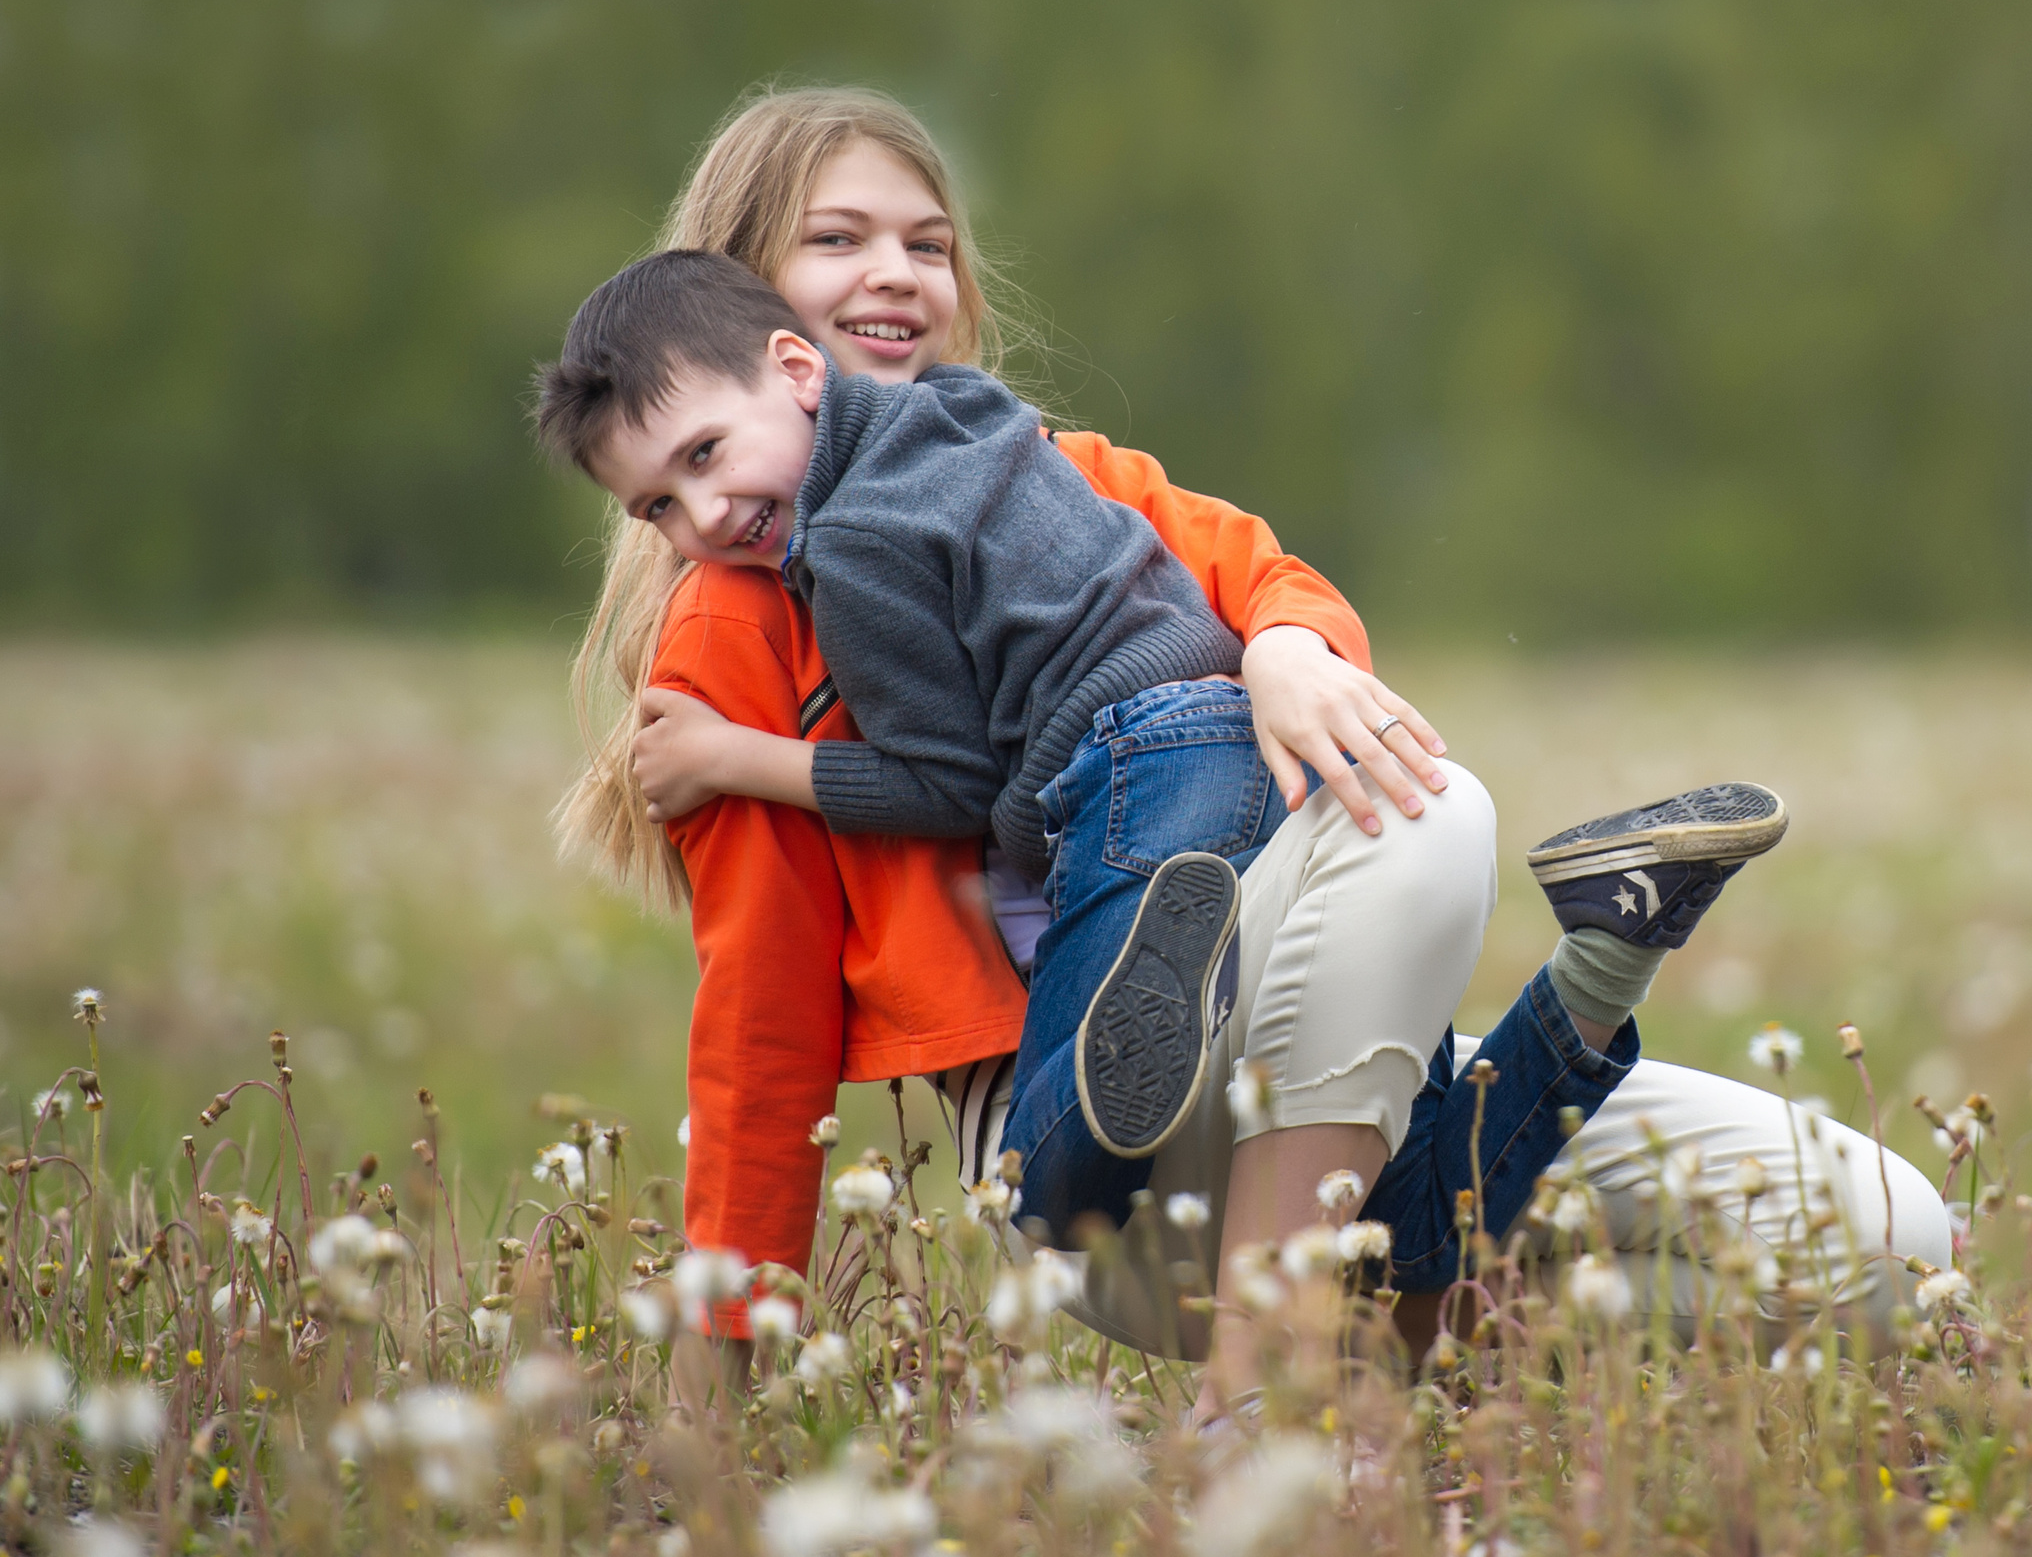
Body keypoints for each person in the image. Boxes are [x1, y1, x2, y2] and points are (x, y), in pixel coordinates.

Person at [544, 85, 1949, 1385]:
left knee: (1891, 1238)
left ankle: (1365, 1352)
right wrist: (715, 1381)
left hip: (1314, 1036)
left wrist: (1280, 644)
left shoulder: (1050, 473)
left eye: (928, 242)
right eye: (838, 238)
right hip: (1088, 1150)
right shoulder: (734, 626)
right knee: (1432, 813)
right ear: (749, 299)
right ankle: (1271, 1398)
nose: (896, 273)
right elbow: (762, 1030)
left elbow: (1262, 573)